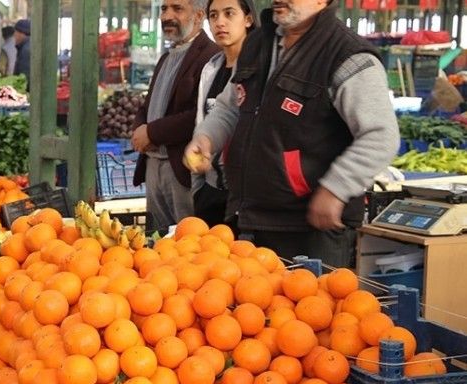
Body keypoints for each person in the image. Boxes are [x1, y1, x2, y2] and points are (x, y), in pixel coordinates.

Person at [184, 0, 399, 267]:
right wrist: (207, 137)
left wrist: (336, 189)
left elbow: (380, 135)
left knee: (311, 306)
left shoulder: (347, 56)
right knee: (250, 305)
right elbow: (230, 106)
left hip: (311, 229)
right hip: (251, 217)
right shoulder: (257, 44)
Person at [130, 0, 220, 236]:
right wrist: (140, 127)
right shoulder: (166, 57)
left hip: (180, 166)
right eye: (163, 9)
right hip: (153, 162)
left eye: (177, 9)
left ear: (199, 16)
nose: (167, 16)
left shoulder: (211, 57)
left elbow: (198, 115)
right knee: (157, 238)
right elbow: (148, 105)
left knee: (185, 239)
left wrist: (152, 132)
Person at [191, 0, 256, 227]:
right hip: (210, 189)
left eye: (229, 14)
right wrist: (199, 189)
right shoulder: (211, 69)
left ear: (248, 19)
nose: (220, 22)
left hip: (243, 194)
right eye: (214, 16)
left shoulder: (257, 70)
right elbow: (201, 125)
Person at [13, 19, 31, 86]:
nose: (14, 35)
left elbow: (24, 78)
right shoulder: (29, 46)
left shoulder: (26, 50)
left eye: (15, 32)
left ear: (22, 33)